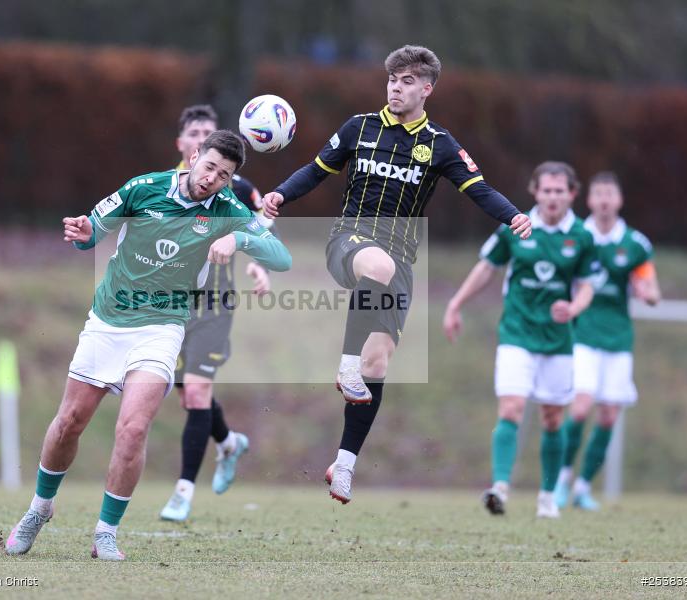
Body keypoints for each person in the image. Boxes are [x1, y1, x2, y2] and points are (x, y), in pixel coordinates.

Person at [261, 44, 532, 504]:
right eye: (392, 80)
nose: (396, 88)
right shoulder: (359, 128)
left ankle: (344, 465)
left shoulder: (440, 145)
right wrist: (281, 195)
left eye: (407, 81)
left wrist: (512, 216)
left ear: (427, 89)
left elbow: (478, 190)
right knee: (378, 269)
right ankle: (345, 365)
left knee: (378, 364)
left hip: (399, 264)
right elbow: (316, 170)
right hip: (349, 242)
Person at [5, 130, 291, 561]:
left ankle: (106, 533)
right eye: (210, 166)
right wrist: (83, 232)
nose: (212, 178)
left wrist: (240, 238)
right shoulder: (144, 188)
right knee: (70, 422)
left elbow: (281, 258)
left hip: (162, 328)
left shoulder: (228, 210)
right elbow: (90, 233)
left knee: (134, 428)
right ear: (194, 156)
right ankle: (39, 508)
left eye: (224, 175)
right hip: (108, 320)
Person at [443, 161, 597, 518]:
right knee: (511, 408)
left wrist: (573, 308)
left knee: (553, 418)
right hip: (517, 334)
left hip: (558, 340)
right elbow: (486, 267)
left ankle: (547, 495)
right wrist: (455, 304)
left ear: (572, 194)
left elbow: (588, 286)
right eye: (546, 190)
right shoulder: (516, 226)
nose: (553, 197)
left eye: (560, 190)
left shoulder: (582, 237)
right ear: (535, 192)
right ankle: (499, 488)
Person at [160, 105, 273, 522]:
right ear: (184, 145)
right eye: (195, 133)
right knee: (185, 391)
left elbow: (261, 230)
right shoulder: (164, 186)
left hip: (215, 302)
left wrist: (257, 263)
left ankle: (182, 493)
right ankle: (228, 443)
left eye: (209, 132)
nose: (201, 138)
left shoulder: (238, 188)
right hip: (170, 303)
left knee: (195, 392)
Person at [553, 172, 660, 511]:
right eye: (597, 193)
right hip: (582, 334)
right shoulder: (577, 237)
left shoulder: (635, 244)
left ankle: (583, 488)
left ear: (619, 200)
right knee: (581, 407)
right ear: (588, 200)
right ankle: (561, 479)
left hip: (618, 338)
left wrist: (647, 293)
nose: (603, 200)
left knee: (609, 416)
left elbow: (651, 288)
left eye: (608, 194)